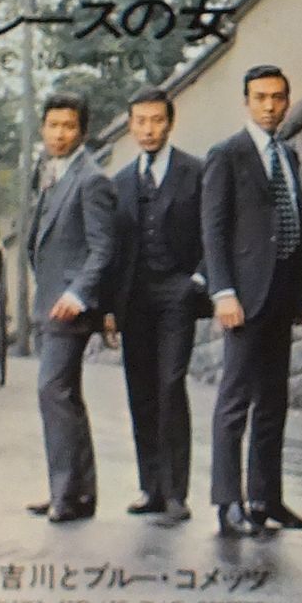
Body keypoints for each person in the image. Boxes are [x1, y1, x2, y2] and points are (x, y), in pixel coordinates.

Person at [201, 65, 302, 539]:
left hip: (281, 294)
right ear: (246, 102)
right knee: (235, 401)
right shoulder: (226, 155)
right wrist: (223, 292)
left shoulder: (287, 154)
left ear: (287, 101)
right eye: (261, 97)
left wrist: (301, 296)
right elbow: (213, 229)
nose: (270, 106)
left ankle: (266, 498)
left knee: (273, 401)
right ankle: (228, 502)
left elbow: (293, 223)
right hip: (244, 297)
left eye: (278, 97)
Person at [109, 88, 206, 524]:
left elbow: (213, 231)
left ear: (170, 123)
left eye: (156, 120)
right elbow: (113, 250)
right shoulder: (121, 182)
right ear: (130, 126)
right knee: (141, 390)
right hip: (135, 298)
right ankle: (150, 487)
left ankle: (176, 492)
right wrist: (110, 307)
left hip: (176, 294)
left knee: (170, 384)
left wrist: (196, 281)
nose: (148, 129)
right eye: (140, 121)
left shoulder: (195, 172)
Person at [24, 92, 118, 524]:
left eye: (68, 126)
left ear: (82, 131)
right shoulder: (47, 173)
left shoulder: (91, 179)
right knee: (65, 396)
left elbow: (103, 248)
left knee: (53, 390)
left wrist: (78, 294)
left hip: (70, 306)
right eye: (52, 125)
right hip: (48, 301)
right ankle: (76, 493)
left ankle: (66, 494)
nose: (59, 134)